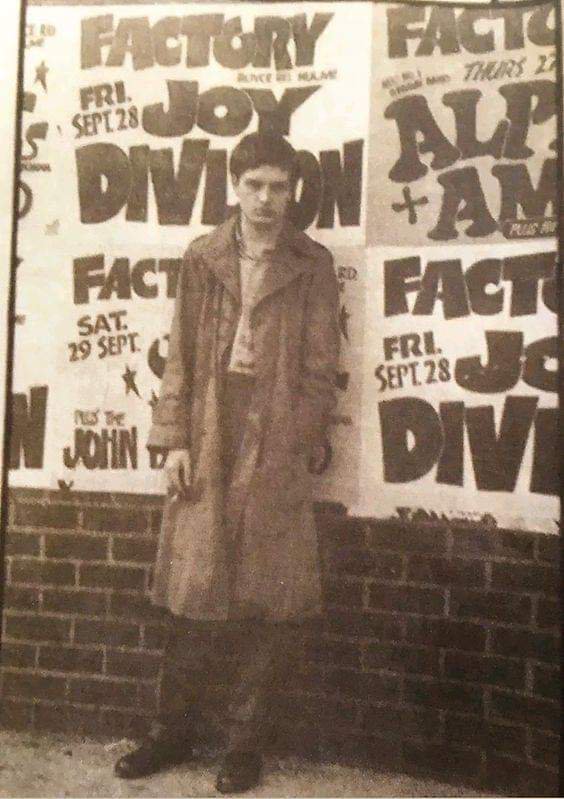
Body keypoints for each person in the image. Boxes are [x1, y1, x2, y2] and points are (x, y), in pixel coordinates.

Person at [114, 131, 341, 793]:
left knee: (266, 600)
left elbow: (321, 369)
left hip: (274, 433)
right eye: (254, 185)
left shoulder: (311, 262)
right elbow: (180, 354)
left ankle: (245, 745)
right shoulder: (203, 256)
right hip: (211, 425)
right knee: (192, 592)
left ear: (294, 190)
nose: (267, 199)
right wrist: (176, 440)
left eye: (279, 186)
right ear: (234, 186)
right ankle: (169, 732)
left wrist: (294, 442)